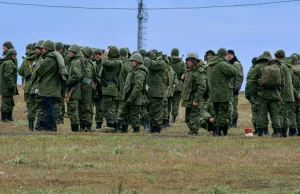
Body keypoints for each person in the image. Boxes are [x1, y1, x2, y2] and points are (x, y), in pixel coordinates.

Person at [249, 51, 284, 137]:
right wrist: (280, 94)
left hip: (262, 94)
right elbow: (282, 82)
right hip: (275, 94)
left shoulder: (257, 67)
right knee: (275, 114)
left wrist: (253, 95)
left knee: (261, 113)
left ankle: (260, 132)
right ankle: (276, 131)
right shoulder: (277, 66)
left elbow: (252, 82)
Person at [207, 48, 237, 136]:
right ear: (225, 55)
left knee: (216, 113)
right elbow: (234, 72)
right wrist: (231, 64)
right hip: (223, 93)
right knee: (223, 114)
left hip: (213, 93)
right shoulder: (222, 64)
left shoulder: (210, 64)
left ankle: (215, 130)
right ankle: (219, 131)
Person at [34, 40, 61, 131]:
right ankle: (48, 126)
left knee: (48, 109)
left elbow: (38, 71)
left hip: (48, 87)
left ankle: (52, 127)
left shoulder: (49, 59)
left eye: (44, 48)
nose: (42, 50)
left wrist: (38, 64)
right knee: (48, 107)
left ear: (48, 49)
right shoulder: (52, 58)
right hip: (50, 87)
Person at [118, 53, 148, 133]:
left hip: (135, 98)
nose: (131, 62)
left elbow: (138, 86)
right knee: (124, 114)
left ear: (138, 62)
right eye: (131, 61)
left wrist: (131, 98)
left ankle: (136, 131)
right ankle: (123, 130)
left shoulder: (140, 72)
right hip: (129, 96)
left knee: (134, 116)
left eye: (133, 61)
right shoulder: (134, 70)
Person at [181, 53, 206, 135]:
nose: (188, 62)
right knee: (187, 117)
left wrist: (196, 100)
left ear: (195, 61)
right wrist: (183, 79)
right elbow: (188, 84)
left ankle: (194, 131)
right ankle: (191, 130)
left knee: (194, 116)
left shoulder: (199, 72)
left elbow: (202, 87)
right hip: (188, 97)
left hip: (194, 97)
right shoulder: (188, 71)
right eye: (187, 60)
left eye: (190, 61)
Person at [101, 46, 122, 129]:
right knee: (110, 108)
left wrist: (105, 54)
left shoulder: (115, 62)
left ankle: (111, 125)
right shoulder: (116, 62)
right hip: (110, 87)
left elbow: (104, 63)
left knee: (106, 108)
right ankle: (115, 125)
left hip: (109, 88)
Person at [147, 51, 168, 133]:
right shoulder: (158, 62)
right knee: (152, 110)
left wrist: (150, 57)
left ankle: (157, 128)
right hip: (153, 91)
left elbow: (152, 64)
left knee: (157, 110)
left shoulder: (161, 62)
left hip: (158, 92)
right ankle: (153, 127)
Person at [275, 50, 295, 137]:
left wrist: (280, 94)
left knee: (280, 113)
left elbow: (281, 81)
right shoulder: (289, 65)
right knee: (286, 114)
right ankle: (285, 132)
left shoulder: (281, 66)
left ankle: (280, 132)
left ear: (277, 57)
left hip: (283, 93)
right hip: (289, 93)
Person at [18, 45, 37, 130]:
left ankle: (31, 126)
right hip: (38, 85)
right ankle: (41, 126)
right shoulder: (39, 58)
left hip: (29, 86)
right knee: (41, 106)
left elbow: (20, 72)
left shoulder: (26, 60)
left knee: (30, 106)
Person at [65, 44, 83, 132]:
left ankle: (75, 130)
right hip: (75, 89)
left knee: (72, 110)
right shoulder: (76, 61)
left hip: (74, 89)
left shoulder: (76, 62)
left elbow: (76, 76)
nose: (69, 52)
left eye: (71, 51)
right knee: (73, 110)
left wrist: (67, 83)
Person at [114, 48, 132, 128]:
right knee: (122, 110)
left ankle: (114, 125)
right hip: (123, 91)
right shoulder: (127, 65)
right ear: (126, 55)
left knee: (115, 109)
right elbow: (131, 76)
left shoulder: (115, 63)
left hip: (114, 90)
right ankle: (120, 125)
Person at [29, 40, 45, 130]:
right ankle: (31, 126)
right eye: (36, 49)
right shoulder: (36, 59)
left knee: (40, 107)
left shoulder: (43, 59)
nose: (37, 50)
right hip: (33, 86)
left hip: (38, 86)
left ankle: (38, 126)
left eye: (39, 49)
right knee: (31, 107)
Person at [0, 49, 18, 122]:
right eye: (14, 56)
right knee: (6, 102)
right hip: (7, 86)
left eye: (16, 55)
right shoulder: (9, 63)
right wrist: (11, 86)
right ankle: (4, 118)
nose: (15, 57)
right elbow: (8, 76)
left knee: (9, 102)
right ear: (10, 56)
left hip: (4, 86)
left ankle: (9, 118)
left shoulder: (4, 62)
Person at [227, 50, 244, 128]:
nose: (229, 56)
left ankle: (234, 122)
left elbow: (239, 77)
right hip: (227, 89)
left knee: (234, 106)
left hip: (233, 89)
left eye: (230, 54)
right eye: (227, 54)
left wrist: (236, 88)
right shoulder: (226, 64)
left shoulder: (236, 64)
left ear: (233, 55)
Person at [169, 48, 186, 123]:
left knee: (168, 101)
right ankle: (174, 118)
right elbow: (185, 73)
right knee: (176, 102)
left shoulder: (169, 61)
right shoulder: (182, 63)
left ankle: (166, 117)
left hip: (170, 84)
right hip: (179, 85)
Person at [163, 55, 178, 128]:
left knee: (168, 107)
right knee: (165, 107)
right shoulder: (164, 69)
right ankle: (165, 121)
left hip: (169, 91)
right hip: (165, 91)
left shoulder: (170, 69)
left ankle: (166, 121)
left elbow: (175, 77)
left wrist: (175, 84)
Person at [92, 49, 104, 129]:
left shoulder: (104, 64)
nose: (97, 56)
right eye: (96, 54)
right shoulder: (92, 64)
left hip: (101, 88)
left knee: (100, 108)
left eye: (99, 54)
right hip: (92, 88)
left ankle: (99, 125)